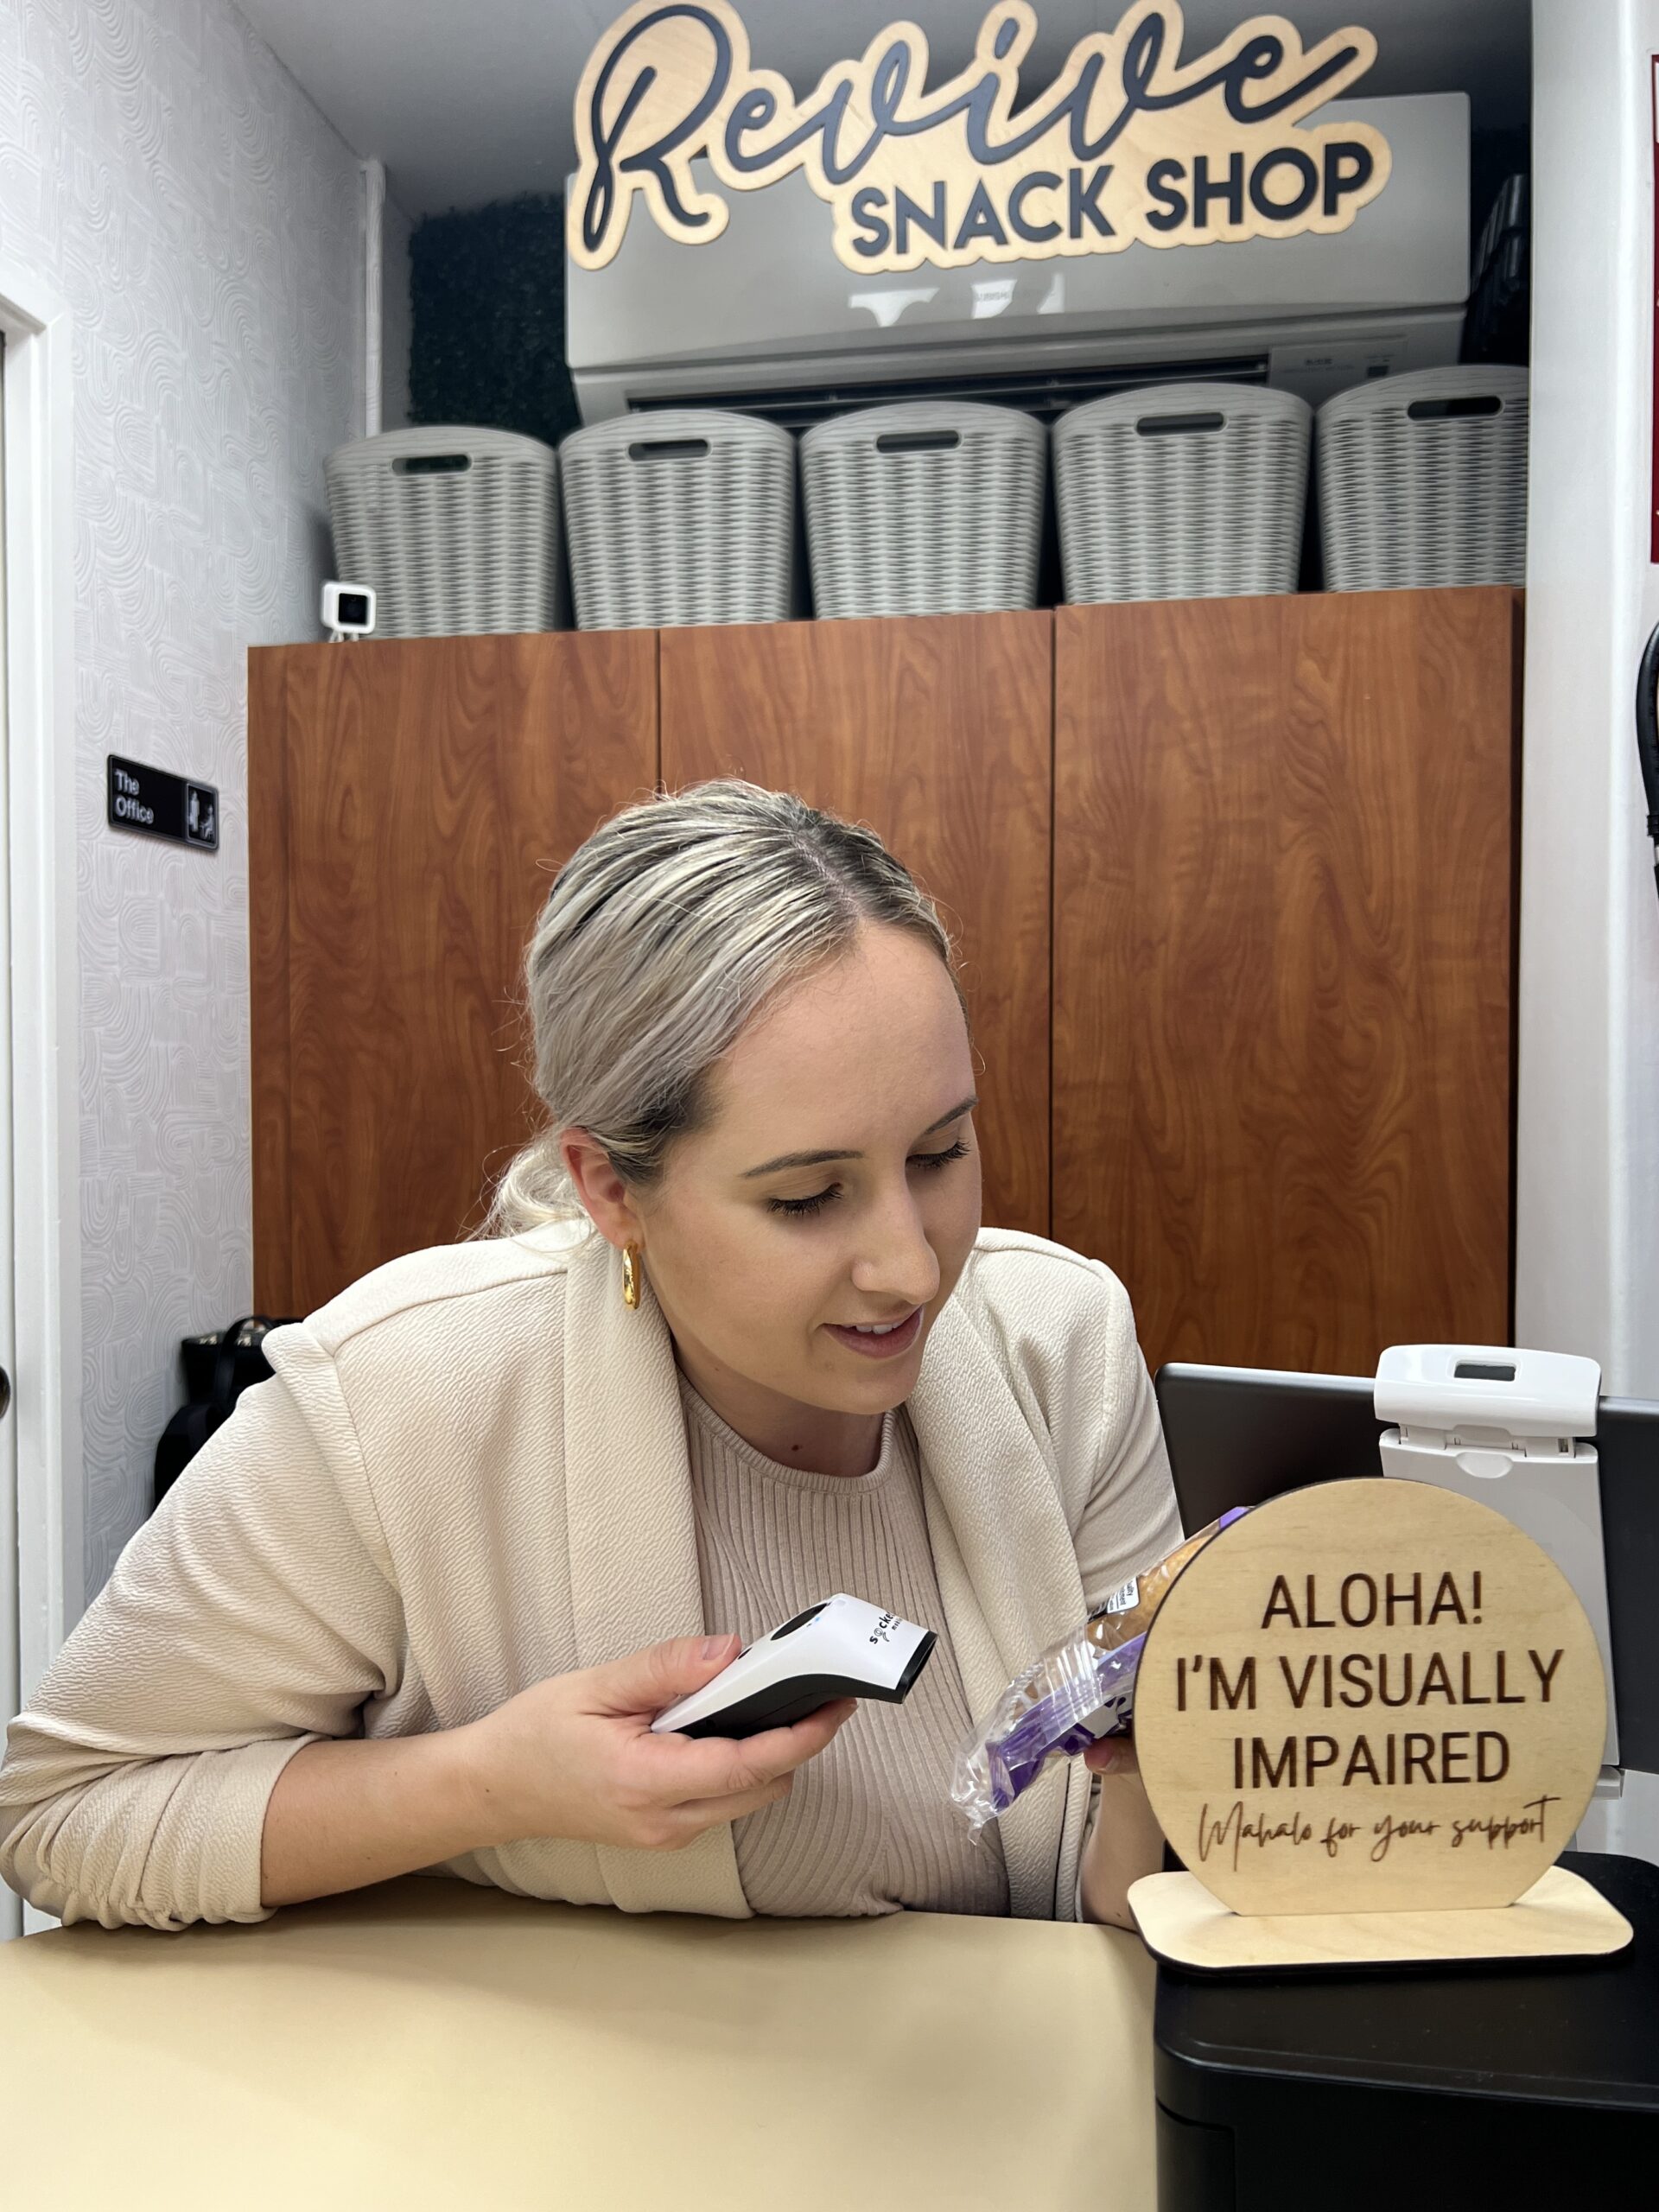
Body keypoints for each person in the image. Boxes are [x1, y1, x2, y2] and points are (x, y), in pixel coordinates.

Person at [0, 782, 1180, 1933]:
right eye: (809, 1196)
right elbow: (61, 1813)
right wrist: (490, 1787)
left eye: (940, 1154)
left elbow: (1128, 1887)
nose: (915, 1271)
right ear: (611, 1188)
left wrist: (1167, 1767)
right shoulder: (399, 1396)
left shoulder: (1058, 1341)